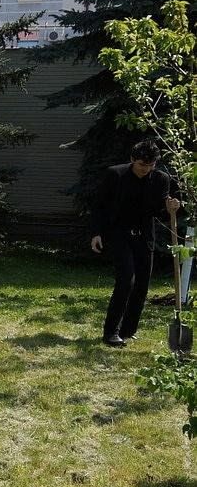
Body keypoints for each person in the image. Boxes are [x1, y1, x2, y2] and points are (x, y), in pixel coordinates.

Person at [91, 140, 182, 347]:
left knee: (141, 285)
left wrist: (172, 207)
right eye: (142, 165)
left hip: (144, 235)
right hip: (119, 232)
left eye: (150, 166)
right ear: (132, 160)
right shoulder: (116, 175)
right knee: (126, 280)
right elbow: (99, 206)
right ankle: (111, 332)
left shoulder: (161, 179)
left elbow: (161, 212)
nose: (145, 169)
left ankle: (128, 330)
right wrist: (96, 233)